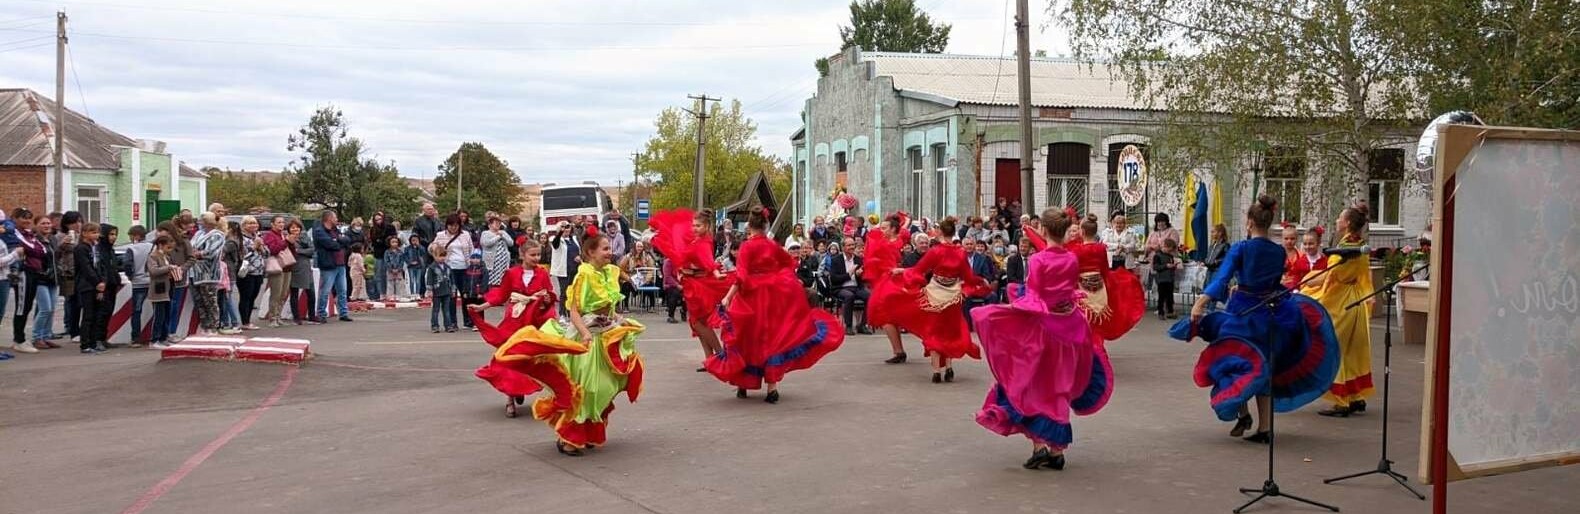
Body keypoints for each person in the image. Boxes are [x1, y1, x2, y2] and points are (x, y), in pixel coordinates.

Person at [1174, 195, 1340, 442]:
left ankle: (1243, 414)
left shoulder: (1241, 248)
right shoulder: (1277, 251)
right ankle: (1265, 429)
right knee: (1265, 366)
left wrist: (1200, 303)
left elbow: (1221, 278)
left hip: (1243, 312)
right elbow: (1274, 283)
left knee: (1233, 361)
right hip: (1273, 313)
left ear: (1250, 222)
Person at [971, 207, 1113, 470]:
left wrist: (1012, 307)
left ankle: (1039, 445)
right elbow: (1069, 289)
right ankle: (1057, 450)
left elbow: (1034, 296)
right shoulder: (1071, 258)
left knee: (1031, 384)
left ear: (1045, 230)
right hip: (1072, 328)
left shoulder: (1038, 261)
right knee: (1060, 386)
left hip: (1046, 330)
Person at [490, 234, 646, 456]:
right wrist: (584, 334)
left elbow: (609, 305)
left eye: (609, 248)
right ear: (590, 252)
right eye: (604, 248)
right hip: (587, 337)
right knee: (587, 388)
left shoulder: (610, 272)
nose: (609, 252)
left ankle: (588, 431)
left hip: (606, 335)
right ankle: (569, 438)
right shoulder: (584, 275)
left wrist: (618, 319)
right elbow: (574, 311)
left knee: (607, 387)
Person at [707, 207, 845, 403]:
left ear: (749, 227)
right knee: (772, 337)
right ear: (765, 225)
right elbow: (788, 263)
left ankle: (743, 384)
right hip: (772, 297)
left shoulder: (746, 247)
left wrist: (728, 297)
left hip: (751, 297)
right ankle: (772, 388)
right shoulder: (772, 245)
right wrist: (783, 281)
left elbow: (742, 276)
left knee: (746, 338)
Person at [868, 217, 990, 382]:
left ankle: (936, 371)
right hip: (953, 296)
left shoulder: (936, 251)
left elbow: (919, 270)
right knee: (950, 331)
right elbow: (968, 277)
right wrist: (981, 282)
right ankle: (948, 366)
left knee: (934, 330)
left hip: (935, 295)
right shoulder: (961, 253)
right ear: (953, 232)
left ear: (939, 231)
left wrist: (901, 272)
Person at [468, 239, 558, 417]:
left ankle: (530, 390)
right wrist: (481, 307)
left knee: (535, 359)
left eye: (538, 254)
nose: (536, 258)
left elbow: (550, 294)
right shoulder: (511, 273)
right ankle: (510, 397)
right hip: (515, 321)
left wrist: (547, 299)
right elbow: (501, 295)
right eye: (532, 255)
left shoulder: (542, 274)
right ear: (522, 255)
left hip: (533, 321)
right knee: (511, 357)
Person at [1303, 203, 1375, 417]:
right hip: (1354, 300)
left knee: (1335, 347)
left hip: (1341, 302)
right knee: (1351, 349)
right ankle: (1356, 396)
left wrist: (1307, 281)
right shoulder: (1359, 244)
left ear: (1348, 223)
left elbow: (1330, 278)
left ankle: (1341, 401)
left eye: (1339, 218)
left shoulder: (1346, 248)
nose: (1336, 221)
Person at [649, 208, 732, 366]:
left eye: (698, 225)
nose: (694, 228)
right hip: (691, 283)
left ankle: (720, 354)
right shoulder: (696, 240)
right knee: (697, 322)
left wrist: (715, 273)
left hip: (699, 285)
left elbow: (707, 260)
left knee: (699, 322)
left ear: (707, 227)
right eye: (693, 225)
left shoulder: (703, 242)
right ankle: (710, 358)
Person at [862, 213, 909, 360]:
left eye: (884, 228)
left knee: (885, 316)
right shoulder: (897, 241)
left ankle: (898, 351)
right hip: (891, 279)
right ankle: (898, 350)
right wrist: (904, 220)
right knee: (890, 317)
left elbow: (873, 240)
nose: (881, 230)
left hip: (887, 281)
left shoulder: (886, 243)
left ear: (893, 229)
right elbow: (904, 232)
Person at [15, 212, 59, 351]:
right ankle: (36, 337)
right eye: (43, 223)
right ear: (37, 226)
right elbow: (36, 252)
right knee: (44, 309)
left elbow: (54, 257)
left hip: (52, 278)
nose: (47, 225)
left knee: (51, 309)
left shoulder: (52, 239)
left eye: (48, 223)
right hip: (38, 277)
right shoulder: (34, 238)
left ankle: (45, 336)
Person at [74, 223, 115, 354]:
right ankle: (85, 344)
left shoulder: (96, 248)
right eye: (92, 232)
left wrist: (103, 281)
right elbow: (86, 268)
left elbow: (101, 266)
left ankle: (93, 342)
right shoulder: (81, 248)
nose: (95, 235)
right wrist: (97, 282)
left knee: (98, 314)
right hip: (87, 285)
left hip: (99, 285)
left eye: (97, 232)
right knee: (88, 315)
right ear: (84, 233)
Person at [433, 214, 476, 328]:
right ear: (447, 225)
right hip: (448, 268)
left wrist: (472, 263)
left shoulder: (465, 235)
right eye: (451, 225)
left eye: (456, 225)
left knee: (466, 295)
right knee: (451, 295)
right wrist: (436, 252)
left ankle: (468, 321)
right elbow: (432, 248)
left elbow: (471, 249)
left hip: (464, 267)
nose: (453, 228)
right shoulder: (440, 235)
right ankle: (452, 322)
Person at [188, 213, 227, 336]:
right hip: (194, 271)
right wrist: (194, 253)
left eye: (201, 220)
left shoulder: (217, 235)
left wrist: (197, 254)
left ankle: (214, 326)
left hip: (208, 273)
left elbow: (211, 253)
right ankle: (204, 326)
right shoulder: (198, 234)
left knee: (210, 301)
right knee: (198, 301)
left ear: (207, 221)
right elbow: (190, 248)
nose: (198, 222)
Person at [312, 211, 354, 322]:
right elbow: (331, 245)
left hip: (340, 264)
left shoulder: (336, 230)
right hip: (328, 265)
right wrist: (339, 241)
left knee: (343, 290)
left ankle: (343, 313)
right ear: (329, 218)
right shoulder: (319, 231)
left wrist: (338, 240)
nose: (337, 219)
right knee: (325, 290)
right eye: (335, 217)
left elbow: (347, 240)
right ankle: (321, 313)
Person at [123, 225, 154, 345]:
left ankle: (135, 338)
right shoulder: (153, 246)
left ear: (136, 236)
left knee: (136, 311)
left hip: (138, 283)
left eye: (130, 235)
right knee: (157, 309)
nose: (130, 238)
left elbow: (127, 265)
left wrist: (131, 277)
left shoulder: (132, 249)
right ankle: (155, 336)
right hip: (152, 281)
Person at [261, 216, 294, 327]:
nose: (281, 224)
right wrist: (286, 242)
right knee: (276, 294)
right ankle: (272, 318)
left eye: (283, 222)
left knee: (283, 294)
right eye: (279, 222)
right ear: (272, 224)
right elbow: (273, 250)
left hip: (286, 267)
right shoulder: (269, 236)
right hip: (276, 268)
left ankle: (278, 316)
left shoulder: (283, 234)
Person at [164, 218, 192, 341]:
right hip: (163, 279)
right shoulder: (158, 244)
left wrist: (181, 269)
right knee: (164, 306)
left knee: (174, 305)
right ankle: (163, 333)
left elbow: (191, 259)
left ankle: (172, 332)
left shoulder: (183, 242)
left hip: (178, 279)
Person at [147, 235, 177, 349]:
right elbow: (153, 271)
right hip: (158, 289)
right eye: (168, 247)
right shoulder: (153, 256)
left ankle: (163, 338)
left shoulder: (166, 256)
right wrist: (168, 268)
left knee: (166, 314)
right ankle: (154, 340)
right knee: (159, 316)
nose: (170, 250)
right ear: (160, 245)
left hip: (168, 287)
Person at [288, 219, 319, 325]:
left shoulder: (305, 237)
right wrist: (302, 252)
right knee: (294, 293)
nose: (295, 229)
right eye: (292, 227)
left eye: (297, 227)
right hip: (294, 266)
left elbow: (312, 249)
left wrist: (299, 251)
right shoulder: (288, 239)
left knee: (311, 292)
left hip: (306, 266)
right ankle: (296, 317)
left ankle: (312, 315)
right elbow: (290, 252)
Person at [57, 212, 81, 343]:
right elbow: (54, 254)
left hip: (81, 272)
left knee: (80, 302)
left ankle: (77, 329)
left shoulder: (81, 236)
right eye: (74, 222)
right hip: (68, 273)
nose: (78, 225)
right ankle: (73, 330)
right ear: (67, 224)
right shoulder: (60, 236)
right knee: (72, 303)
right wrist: (62, 244)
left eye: (79, 221)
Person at [548, 221, 579, 316]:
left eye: (568, 227)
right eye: (563, 227)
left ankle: (571, 313)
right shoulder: (555, 239)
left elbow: (578, 250)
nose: (566, 229)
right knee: (564, 292)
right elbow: (555, 245)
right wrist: (560, 232)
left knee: (573, 292)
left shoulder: (574, 239)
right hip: (563, 270)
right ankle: (562, 314)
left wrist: (579, 257)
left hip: (575, 268)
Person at [217, 221, 243, 334]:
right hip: (225, 273)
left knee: (227, 298)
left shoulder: (230, 242)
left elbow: (220, 253)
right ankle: (225, 322)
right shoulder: (229, 241)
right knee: (223, 299)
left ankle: (235, 322)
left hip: (228, 274)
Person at [412, 203, 442, 295]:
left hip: (436, 248)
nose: (431, 210)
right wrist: (424, 242)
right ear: (424, 210)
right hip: (424, 248)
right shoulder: (419, 221)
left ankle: (437, 290)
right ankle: (421, 291)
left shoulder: (437, 221)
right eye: (429, 209)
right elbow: (415, 234)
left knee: (438, 269)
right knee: (422, 270)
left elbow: (441, 233)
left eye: (432, 209)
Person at [481, 216, 516, 295]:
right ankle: (491, 296)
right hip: (491, 261)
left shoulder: (503, 232)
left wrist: (502, 235)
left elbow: (511, 243)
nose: (498, 225)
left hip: (503, 261)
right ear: (490, 225)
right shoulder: (485, 233)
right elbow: (486, 243)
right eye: (496, 223)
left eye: (499, 223)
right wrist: (497, 236)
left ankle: (500, 296)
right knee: (490, 279)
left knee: (502, 278)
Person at [427, 245, 458, 332]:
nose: (442, 258)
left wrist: (453, 290)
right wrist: (430, 290)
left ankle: (448, 326)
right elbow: (429, 279)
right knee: (436, 310)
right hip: (437, 291)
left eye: (444, 256)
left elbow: (452, 280)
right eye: (440, 256)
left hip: (447, 291)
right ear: (434, 256)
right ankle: (435, 325)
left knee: (446, 310)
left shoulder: (448, 267)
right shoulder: (432, 268)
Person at [1152, 238, 1181, 319]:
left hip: (1170, 279)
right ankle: (1160, 312)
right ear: (1164, 246)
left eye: (1171, 250)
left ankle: (1170, 311)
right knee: (1161, 296)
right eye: (1169, 249)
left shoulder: (1170, 256)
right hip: (1161, 279)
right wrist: (1166, 266)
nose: (1170, 252)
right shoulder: (1157, 256)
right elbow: (1155, 267)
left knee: (1170, 296)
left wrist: (1173, 266)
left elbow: (1171, 265)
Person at [1279, 223, 1308, 290]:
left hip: (1297, 286)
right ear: (1282, 239)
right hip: (1281, 285)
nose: (1289, 241)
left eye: (1292, 239)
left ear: (1297, 239)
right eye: (1286, 239)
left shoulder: (1301, 255)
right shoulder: (1277, 254)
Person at [382, 236, 407, 301]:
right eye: (393, 242)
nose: (394, 243)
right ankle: (390, 296)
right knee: (390, 283)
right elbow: (386, 261)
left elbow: (402, 261)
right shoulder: (387, 252)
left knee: (399, 283)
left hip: (399, 270)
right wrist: (391, 269)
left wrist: (398, 269)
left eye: (396, 242)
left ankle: (398, 295)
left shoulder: (400, 252)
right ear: (389, 243)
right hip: (390, 270)